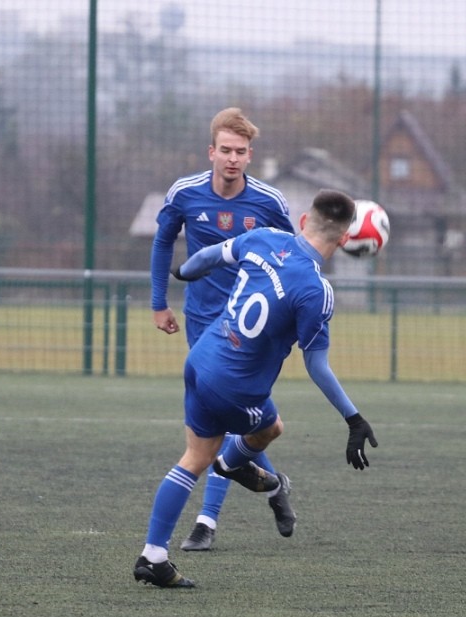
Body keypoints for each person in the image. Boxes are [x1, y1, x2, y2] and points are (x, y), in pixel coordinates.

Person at [133, 189, 378, 588]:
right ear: (347, 239)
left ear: (302, 222)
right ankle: (231, 464)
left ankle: (154, 555)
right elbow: (317, 366)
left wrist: (182, 274)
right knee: (269, 429)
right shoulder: (317, 292)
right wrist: (353, 418)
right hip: (236, 388)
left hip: (200, 362)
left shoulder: (263, 237)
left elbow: (207, 259)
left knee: (195, 457)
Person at [150, 108, 297, 552]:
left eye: (240, 152)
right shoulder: (185, 194)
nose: (232, 159)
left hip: (251, 328)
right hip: (202, 322)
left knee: (228, 420)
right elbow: (162, 242)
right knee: (227, 420)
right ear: (211, 151)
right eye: (225, 150)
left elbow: (292, 257)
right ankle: (267, 489)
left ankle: (210, 518)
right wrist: (159, 302)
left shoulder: (269, 202)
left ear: (250, 156)